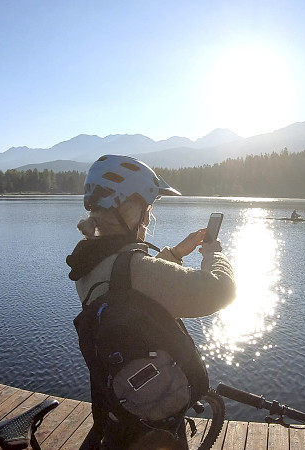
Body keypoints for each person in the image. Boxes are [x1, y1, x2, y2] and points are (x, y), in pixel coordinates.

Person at [66, 154, 236, 449]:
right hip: (153, 423)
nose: (148, 217)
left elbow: (128, 289)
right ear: (128, 209)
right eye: (147, 209)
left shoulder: (90, 260)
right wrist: (213, 254)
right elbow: (220, 289)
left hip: (118, 409)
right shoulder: (135, 268)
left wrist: (176, 254)